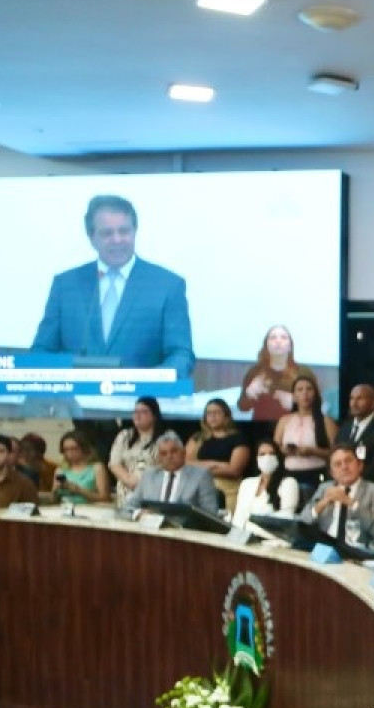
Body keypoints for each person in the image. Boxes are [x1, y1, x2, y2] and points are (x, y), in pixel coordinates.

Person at [31, 194, 194, 376]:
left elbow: (181, 355)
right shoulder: (65, 285)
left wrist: (150, 380)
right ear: (91, 238)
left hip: (139, 400)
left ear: (135, 232)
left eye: (124, 231)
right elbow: (41, 351)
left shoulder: (167, 286)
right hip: (75, 401)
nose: (117, 240)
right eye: (107, 233)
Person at [300, 445, 374, 547]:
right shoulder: (325, 488)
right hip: (325, 547)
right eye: (338, 464)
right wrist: (322, 503)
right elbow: (303, 520)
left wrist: (351, 503)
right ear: (332, 473)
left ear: (360, 465)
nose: (344, 467)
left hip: (358, 551)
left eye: (348, 461)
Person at [122, 433, 221, 514]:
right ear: (159, 458)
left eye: (174, 451)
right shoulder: (149, 476)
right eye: (164, 453)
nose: (169, 456)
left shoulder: (201, 476)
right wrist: (139, 514)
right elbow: (128, 507)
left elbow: (210, 513)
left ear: (183, 452)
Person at [236, 325, 314, 422]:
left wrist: (295, 404)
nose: (278, 341)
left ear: (290, 346)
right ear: (266, 346)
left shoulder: (303, 372)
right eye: (273, 338)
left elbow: (318, 405)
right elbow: (242, 407)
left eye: (284, 337)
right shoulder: (255, 372)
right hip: (261, 429)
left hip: (295, 428)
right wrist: (249, 394)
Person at [274, 374, 336, 494]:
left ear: (316, 394)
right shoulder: (284, 420)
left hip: (316, 474)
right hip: (288, 474)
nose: (305, 393)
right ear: (294, 396)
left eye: (309, 389)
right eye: (300, 390)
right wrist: (285, 450)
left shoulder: (326, 421)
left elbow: (335, 452)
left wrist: (312, 451)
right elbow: (274, 448)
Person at [188, 398, 251, 512]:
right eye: (209, 413)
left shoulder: (238, 439)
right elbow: (186, 464)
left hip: (227, 491)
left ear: (226, 416)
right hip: (198, 489)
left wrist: (200, 467)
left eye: (216, 413)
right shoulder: (197, 438)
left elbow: (234, 470)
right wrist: (217, 464)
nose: (212, 416)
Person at [334, 383, 374, 486]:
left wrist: (350, 478)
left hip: (372, 488)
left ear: (373, 403)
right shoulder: (344, 428)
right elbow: (335, 456)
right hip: (341, 485)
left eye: (359, 399)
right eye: (352, 398)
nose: (354, 403)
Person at [232, 441, 301, 528]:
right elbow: (238, 514)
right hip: (241, 535)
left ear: (278, 457)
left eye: (272, 454)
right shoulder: (247, 483)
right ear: (256, 458)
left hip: (271, 537)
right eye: (262, 454)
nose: (267, 457)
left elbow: (287, 516)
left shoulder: (288, 482)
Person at [108, 397, 165, 495]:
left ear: (154, 416)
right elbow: (114, 463)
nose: (137, 416)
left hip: (152, 491)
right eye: (135, 412)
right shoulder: (125, 435)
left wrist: (139, 482)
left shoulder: (165, 438)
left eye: (143, 412)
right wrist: (129, 480)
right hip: (125, 491)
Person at [50, 431, 113, 505]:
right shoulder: (60, 470)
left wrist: (78, 490)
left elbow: (105, 498)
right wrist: (55, 490)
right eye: (66, 449)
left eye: (74, 448)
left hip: (90, 510)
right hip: (64, 508)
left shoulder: (97, 468)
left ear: (84, 448)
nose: (70, 453)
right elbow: (53, 500)